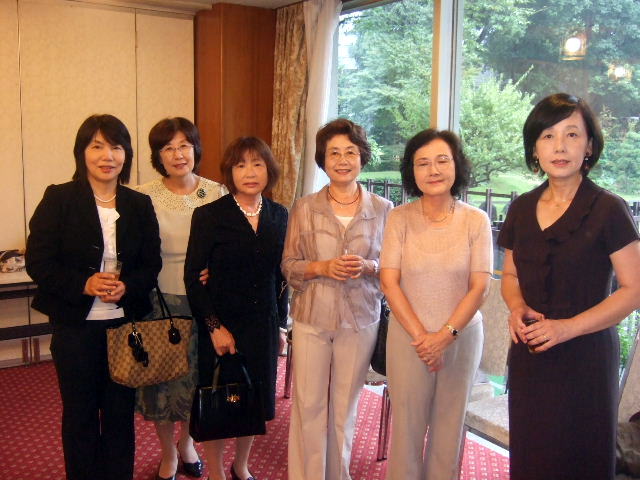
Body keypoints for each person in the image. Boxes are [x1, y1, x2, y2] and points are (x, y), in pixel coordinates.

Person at [498, 93, 640, 480]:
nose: (559, 146)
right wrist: (516, 306)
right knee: (532, 457)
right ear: (534, 147)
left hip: (586, 359)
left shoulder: (609, 209)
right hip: (531, 354)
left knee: (580, 459)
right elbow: (510, 276)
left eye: (572, 134)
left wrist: (567, 328)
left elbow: (633, 289)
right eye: (547, 135)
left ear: (589, 145)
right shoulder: (521, 208)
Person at [25, 114, 162, 480]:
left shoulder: (138, 204)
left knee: (120, 415)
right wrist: (83, 284)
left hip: (124, 328)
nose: (107, 156)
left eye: (116, 147)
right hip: (75, 328)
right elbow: (39, 262)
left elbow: (151, 264)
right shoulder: (59, 198)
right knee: (80, 413)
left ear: (126, 154)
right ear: (81, 152)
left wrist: (128, 286)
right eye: (97, 146)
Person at [282, 118, 393, 480]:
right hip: (312, 317)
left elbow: (393, 267)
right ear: (323, 159)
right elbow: (289, 265)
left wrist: (369, 265)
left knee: (345, 407)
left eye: (350, 152)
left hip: (361, 319)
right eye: (334, 153)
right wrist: (322, 266)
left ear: (362, 157)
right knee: (309, 404)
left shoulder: (383, 209)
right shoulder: (304, 207)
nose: (343, 160)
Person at [380, 129, 492, 480]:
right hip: (408, 339)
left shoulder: (476, 220)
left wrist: (444, 336)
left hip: (461, 338)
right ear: (411, 171)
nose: (433, 170)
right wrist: (423, 339)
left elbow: (480, 286)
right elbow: (389, 281)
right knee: (406, 433)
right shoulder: (399, 218)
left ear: (457, 165)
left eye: (442, 160)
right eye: (423, 163)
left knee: (449, 431)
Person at [184, 136, 288, 480]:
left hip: (263, 325)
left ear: (269, 170)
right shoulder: (209, 215)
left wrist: (281, 325)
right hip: (221, 324)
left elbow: (281, 276)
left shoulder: (279, 215)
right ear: (230, 173)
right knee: (218, 401)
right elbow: (192, 277)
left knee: (253, 401)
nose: (250, 172)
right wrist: (214, 327)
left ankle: (241, 465)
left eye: (258, 164)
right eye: (240, 165)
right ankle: (215, 471)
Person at [136, 117, 227, 480]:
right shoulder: (142, 195)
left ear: (195, 149)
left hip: (201, 302)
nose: (178, 155)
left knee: (195, 380)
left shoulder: (217, 192)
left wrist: (215, 270)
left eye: (184, 146)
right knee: (160, 382)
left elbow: (227, 247)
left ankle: (187, 443)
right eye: (168, 148)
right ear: (158, 155)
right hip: (157, 301)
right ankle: (167, 453)